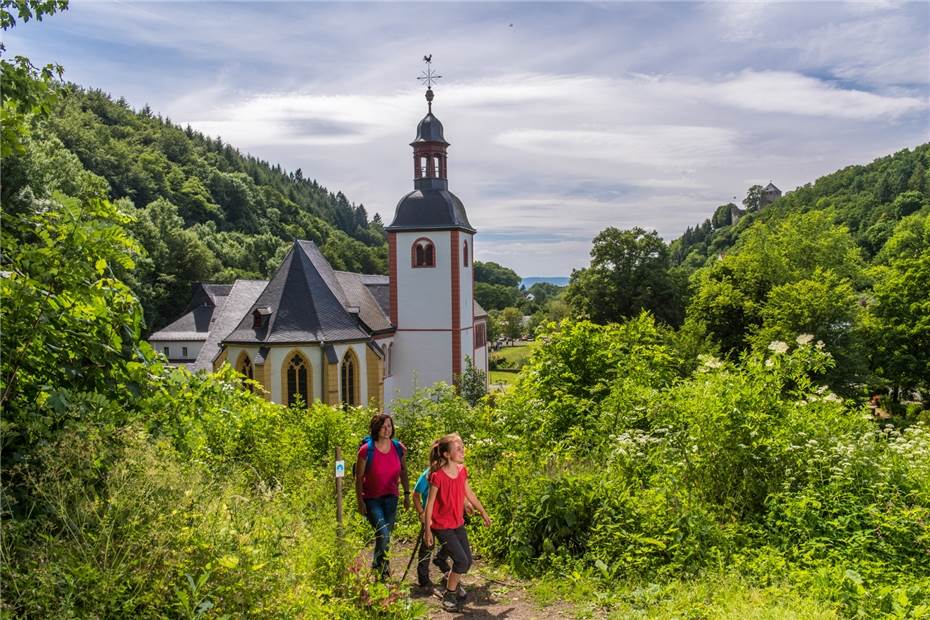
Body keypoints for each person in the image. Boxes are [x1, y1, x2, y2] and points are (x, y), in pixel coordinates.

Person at [424, 433, 492, 612]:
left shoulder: (462, 471)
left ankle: (451, 580)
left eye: (462, 447)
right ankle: (450, 594)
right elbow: (429, 504)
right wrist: (427, 530)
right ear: (446, 454)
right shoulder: (437, 476)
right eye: (458, 449)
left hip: (457, 523)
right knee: (461, 561)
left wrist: (483, 513)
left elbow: (469, 493)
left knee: (467, 561)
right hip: (441, 526)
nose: (462, 451)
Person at [355, 413, 410, 579]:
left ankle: (380, 568)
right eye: (383, 426)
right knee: (383, 534)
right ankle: (381, 570)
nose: (387, 429)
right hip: (371, 499)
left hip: (391, 498)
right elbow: (359, 478)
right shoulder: (366, 451)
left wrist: (407, 494)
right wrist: (360, 502)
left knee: (385, 536)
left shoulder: (398, 448)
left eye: (389, 426)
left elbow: (403, 471)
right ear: (376, 428)